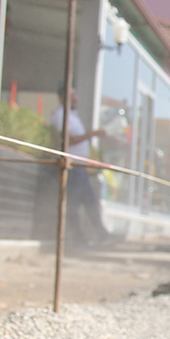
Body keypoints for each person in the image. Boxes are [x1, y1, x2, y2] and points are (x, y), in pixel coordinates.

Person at [50, 85, 113, 247]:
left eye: (76, 95)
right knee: (74, 205)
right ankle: (76, 239)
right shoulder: (61, 116)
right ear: (62, 98)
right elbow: (69, 140)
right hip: (72, 167)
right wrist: (93, 134)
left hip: (80, 167)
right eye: (72, 96)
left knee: (91, 202)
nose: (76, 98)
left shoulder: (72, 116)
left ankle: (102, 234)